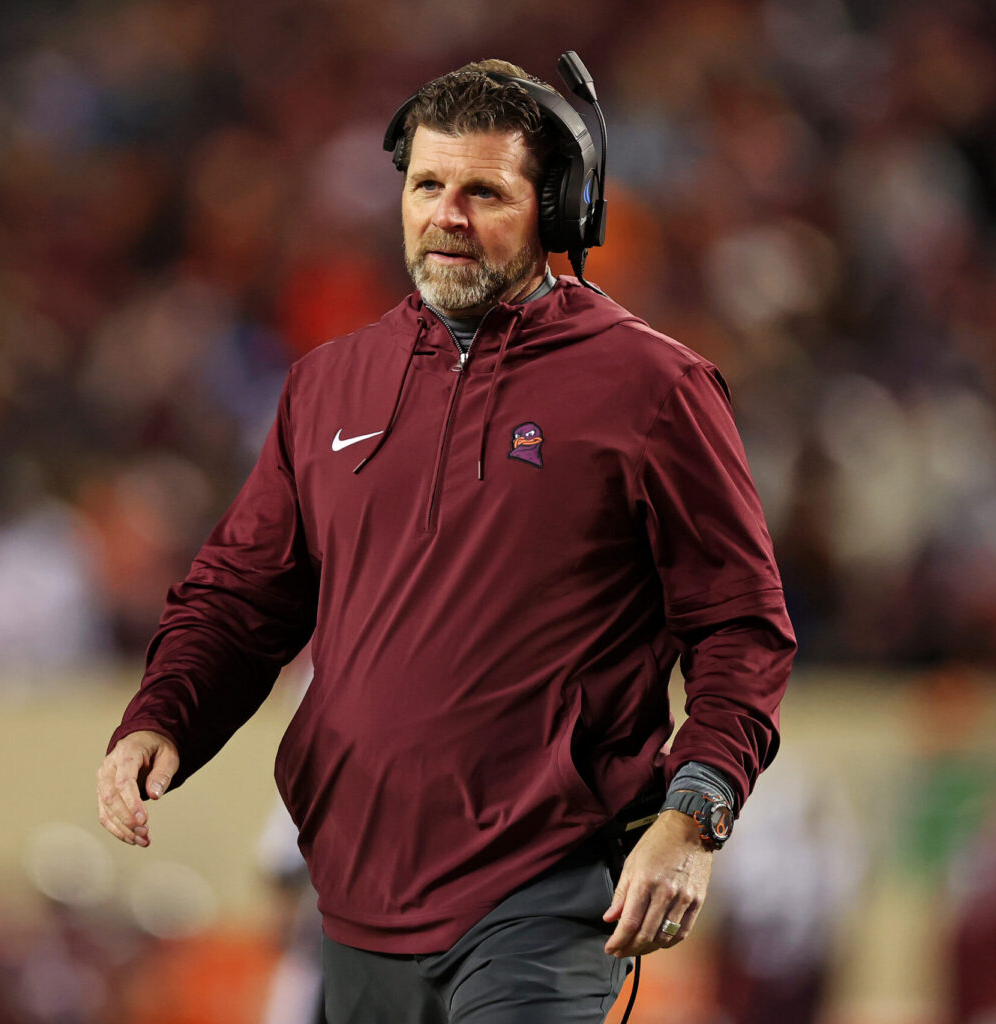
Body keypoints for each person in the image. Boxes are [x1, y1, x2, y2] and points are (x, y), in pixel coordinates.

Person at [96, 59, 794, 1024]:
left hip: (544, 889)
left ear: (559, 210)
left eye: (485, 192)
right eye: (427, 185)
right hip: (353, 892)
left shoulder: (651, 387)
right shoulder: (327, 385)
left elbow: (741, 627)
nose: (447, 216)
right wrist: (163, 717)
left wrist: (694, 811)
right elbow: (241, 596)